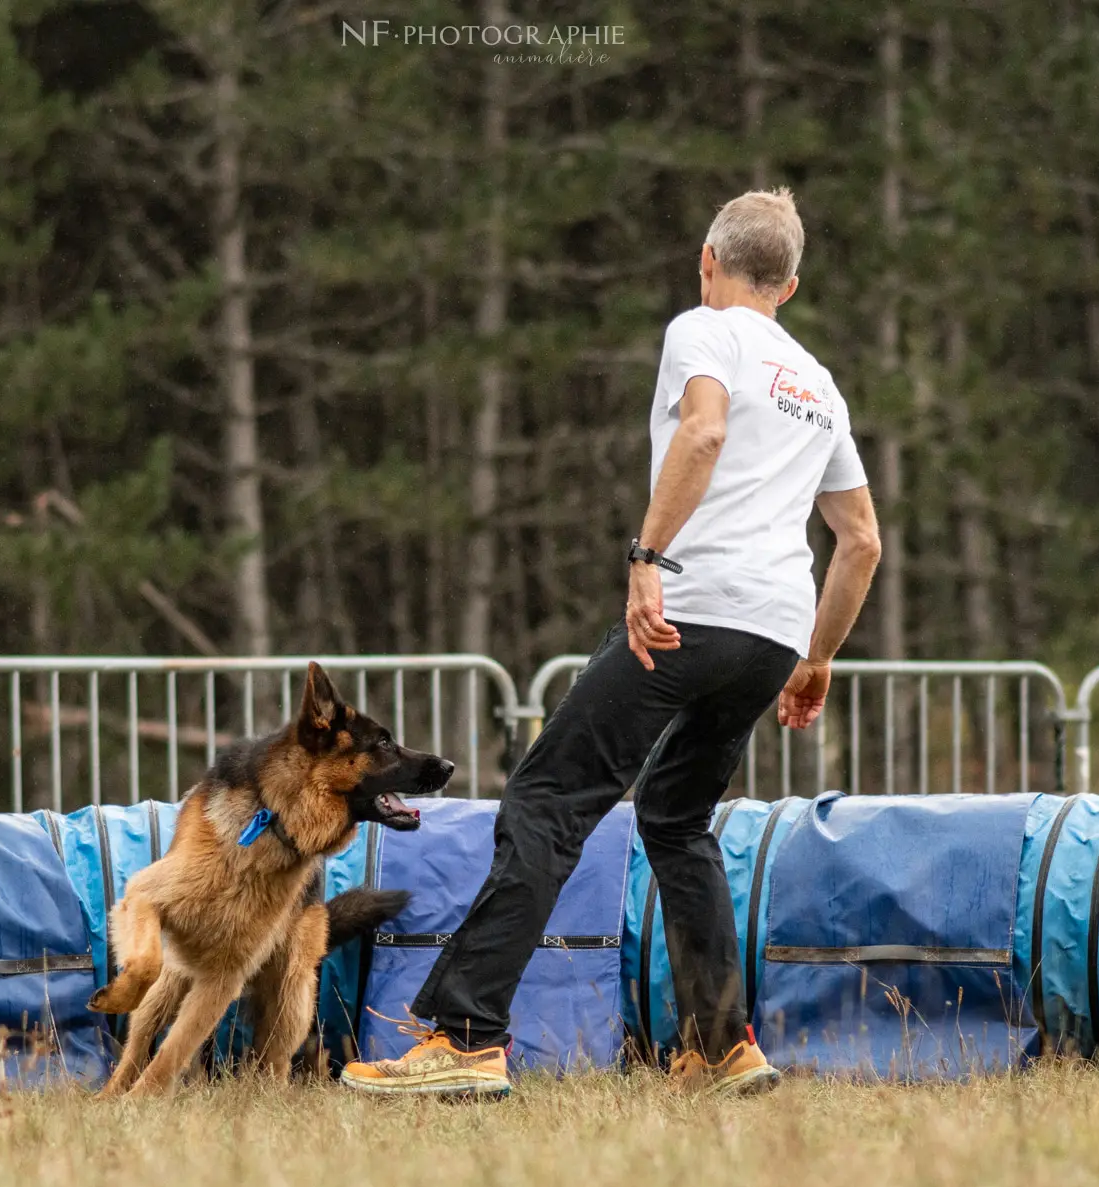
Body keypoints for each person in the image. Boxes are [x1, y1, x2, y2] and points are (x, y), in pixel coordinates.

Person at [341, 188, 881, 1099]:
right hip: (773, 629)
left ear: (709, 261)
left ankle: (467, 1036)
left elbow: (704, 429)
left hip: (691, 608)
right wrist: (817, 656)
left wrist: (646, 559)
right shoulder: (818, 383)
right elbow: (861, 539)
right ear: (790, 285)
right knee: (676, 819)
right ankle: (720, 1046)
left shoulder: (703, 329)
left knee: (548, 799)